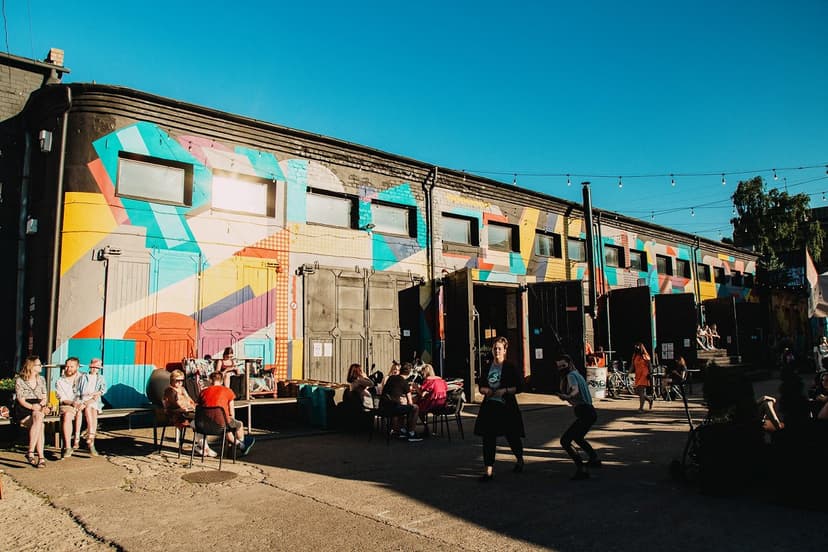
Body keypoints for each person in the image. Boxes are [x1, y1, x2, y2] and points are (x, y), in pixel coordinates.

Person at [473, 336, 525, 482]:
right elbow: (481, 386)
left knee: (512, 436)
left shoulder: (510, 367)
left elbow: (520, 386)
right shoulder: (487, 366)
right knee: (488, 438)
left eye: (499, 349)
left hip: (506, 407)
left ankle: (520, 459)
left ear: (505, 350)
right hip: (490, 407)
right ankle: (488, 470)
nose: (497, 351)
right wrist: (485, 391)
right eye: (495, 348)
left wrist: (505, 391)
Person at [556, 354, 601, 480]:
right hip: (589, 412)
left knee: (565, 441)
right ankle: (594, 458)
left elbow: (575, 390)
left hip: (585, 412)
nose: (561, 368)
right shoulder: (577, 374)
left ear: (569, 364)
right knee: (578, 437)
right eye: (559, 366)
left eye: (563, 365)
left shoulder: (571, 376)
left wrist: (568, 396)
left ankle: (582, 469)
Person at [199, 371, 255, 456]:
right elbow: (231, 411)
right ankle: (242, 445)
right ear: (222, 381)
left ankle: (238, 444)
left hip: (205, 424)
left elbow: (200, 406)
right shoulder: (228, 391)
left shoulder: (203, 392)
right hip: (222, 423)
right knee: (239, 424)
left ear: (210, 380)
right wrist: (231, 419)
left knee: (226, 429)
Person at [163, 369, 216, 457]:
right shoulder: (170, 391)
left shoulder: (182, 389)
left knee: (201, 422)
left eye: (182, 380)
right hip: (176, 414)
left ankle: (202, 447)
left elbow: (190, 401)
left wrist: (195, 407)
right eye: (178, 380)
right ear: (172, 380)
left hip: (188, 413)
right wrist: (184, 408)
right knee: (198, 423)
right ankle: (204, 448)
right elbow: (175, 405)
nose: (180, 382)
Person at [14, 356, 50, 467]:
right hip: (25, 407)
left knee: (38, 418)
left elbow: (44, 396)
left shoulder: (41, 379)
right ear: (32, 366)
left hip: (38, 406)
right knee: (41, 425)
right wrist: (32, 406)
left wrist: (41, 405)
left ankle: (31, 452)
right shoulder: (20, 380)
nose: (41, 366)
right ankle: (40, 457)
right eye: (39, 364)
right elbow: (21, 399)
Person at [379, 363, 423, 442]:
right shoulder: (405, 383)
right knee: (415, 408)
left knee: (402, 405)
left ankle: (401, 430)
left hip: (382, 406)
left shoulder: (391, 378)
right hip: (393, 408)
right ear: (409, 373)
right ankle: (411, 433)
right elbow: (410, 402)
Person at [56, 357, 85, 459]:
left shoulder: (83, 378)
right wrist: (73, 403)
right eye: (67, 366)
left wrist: (82, 402)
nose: (68, 369)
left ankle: (79, 439)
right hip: (68, 404)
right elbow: (62, 399)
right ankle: (68, 446)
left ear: (77, 367)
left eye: (71, 367)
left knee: (87, 411)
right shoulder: (60, 381)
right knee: (67, 415)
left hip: (82, 404)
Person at [77, 358, 107, 456]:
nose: (95, 369)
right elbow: (79, 390)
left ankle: (90, 436)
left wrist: (95, 393)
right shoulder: (84, 376)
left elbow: (103, 390)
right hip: (84, 398)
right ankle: (91, 438)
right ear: (90, 367)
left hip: (95, 399)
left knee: (94, 413)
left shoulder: (100, 378)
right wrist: (81, 399)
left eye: (97, 368)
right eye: (93, 367)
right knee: (88, 408)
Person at [415, 363, 448, 435]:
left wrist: (416, 387)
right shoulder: (440, 379)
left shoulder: (428, 380)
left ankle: (425, 426)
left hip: (433, 404)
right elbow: (445, 389)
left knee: (417, 407)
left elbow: (422, 394)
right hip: (442, 404)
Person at [631, 342, 653, 411]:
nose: (636, 348)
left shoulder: (645, 355)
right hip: (638, 375)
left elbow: (649, 365)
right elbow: (632, 365)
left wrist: (650, 373)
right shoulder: (634, 355)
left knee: (641, 391)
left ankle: (641, 408)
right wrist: (628, 372)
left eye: (637, 347)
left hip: (644, 374)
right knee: (637, 392)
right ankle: (649, 399)